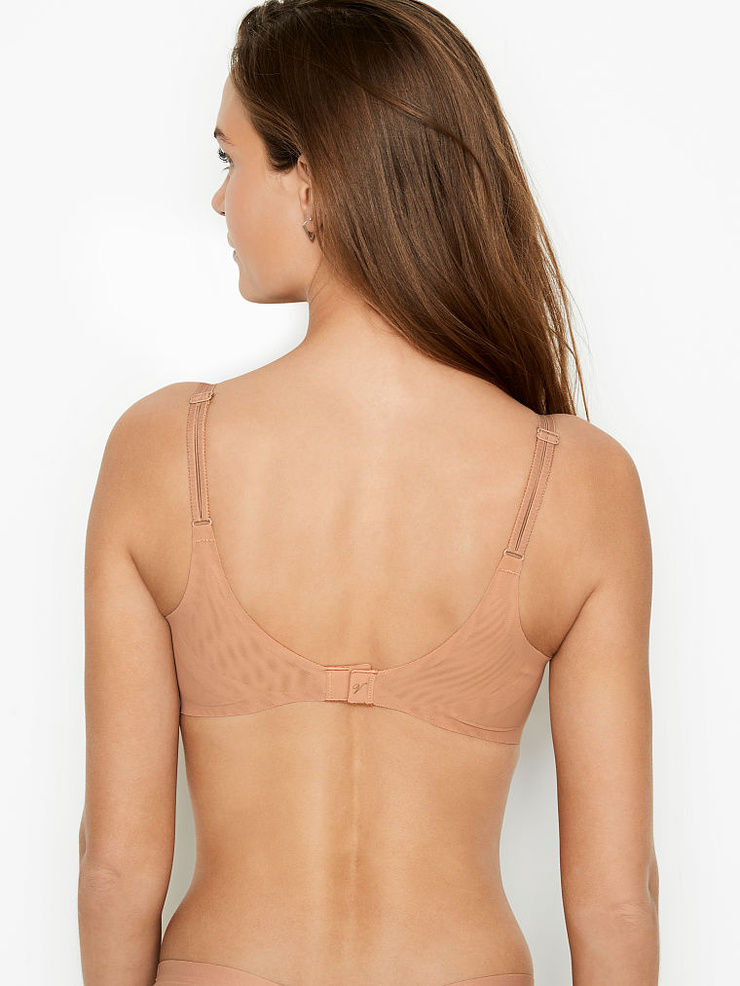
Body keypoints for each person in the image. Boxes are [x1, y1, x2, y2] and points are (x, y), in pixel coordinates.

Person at [77, 2, 659, 985]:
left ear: (309, 180)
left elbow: (117, 866)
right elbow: (615, 900)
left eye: (230, 158)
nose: (219, 199)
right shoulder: (576, 478)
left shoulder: (161, 450)